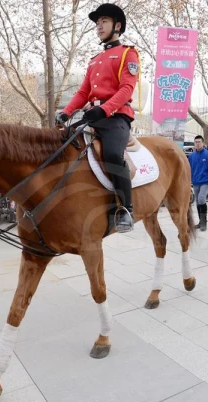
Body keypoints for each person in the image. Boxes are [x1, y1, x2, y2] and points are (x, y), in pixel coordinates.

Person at [56, 3, 139, 233]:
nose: (98, 26)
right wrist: (66, 112)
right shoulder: (94, 60)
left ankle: (126, 210)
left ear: (117, 26)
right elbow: (83, 92)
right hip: (92, 116)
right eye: (97, 22)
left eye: (103, 21)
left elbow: (126, 90)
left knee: (112, 154)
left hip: (116, 118)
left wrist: (105, 109)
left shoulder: (128, 54)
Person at [188, 135, 208, 232]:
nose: (197, 144)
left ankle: (204, 222)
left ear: (203, 143)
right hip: (195, 182)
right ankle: (201, 222)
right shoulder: (191, 156)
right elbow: (188, 170)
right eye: (196, 142)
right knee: (198, 202)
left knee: (201, 199)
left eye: (199, 142)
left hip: (205, 182)